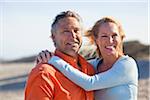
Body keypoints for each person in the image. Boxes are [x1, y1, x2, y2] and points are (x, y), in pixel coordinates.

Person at [37, 17, 138, 100]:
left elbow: (90, 83)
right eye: (104, 36)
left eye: (114, 35)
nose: (110, 40)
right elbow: (71, 71)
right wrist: (45, 57)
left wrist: (54, 59)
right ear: (96, 40)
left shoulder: (127, 65)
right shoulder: (92, 66)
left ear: (121, 38)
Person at [25, 11, 95, 100]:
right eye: (66, 31)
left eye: (76, 30)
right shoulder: (44, 73)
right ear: (53, 37)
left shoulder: (90, 70)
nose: (73, 36)